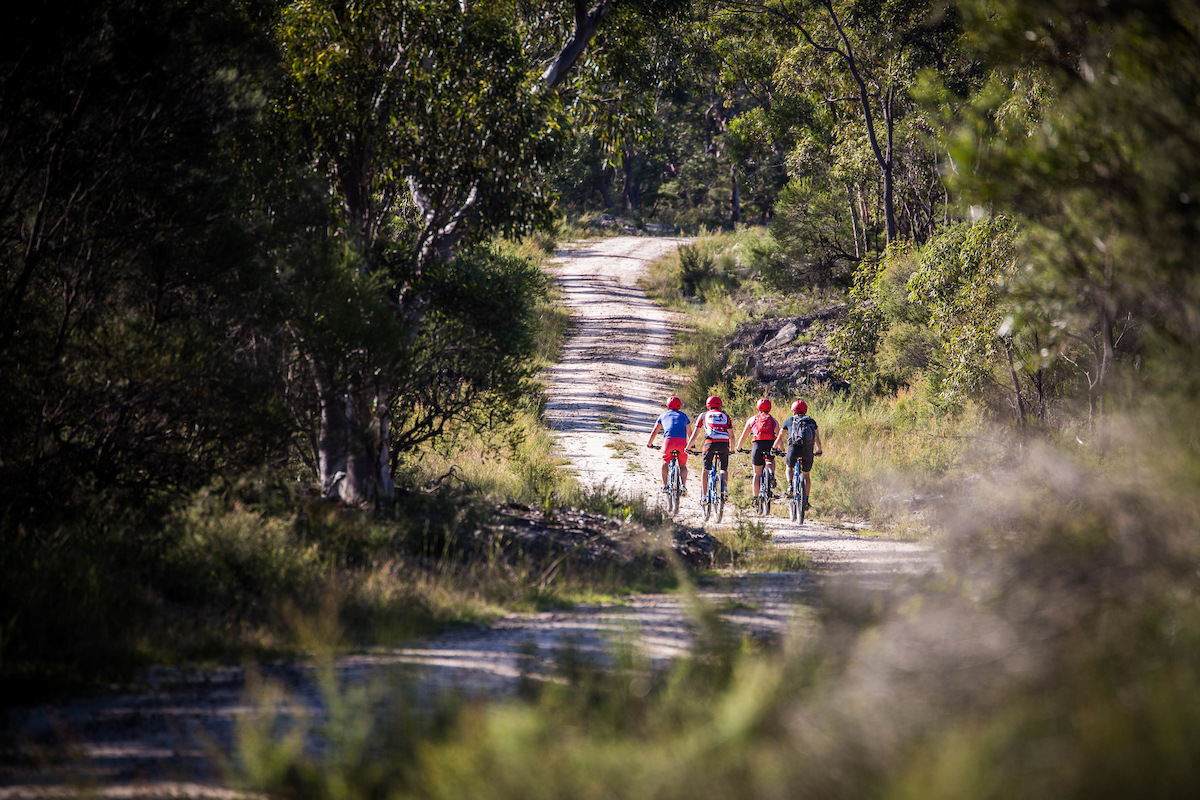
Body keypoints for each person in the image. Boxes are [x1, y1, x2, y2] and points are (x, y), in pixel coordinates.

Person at [773, 399, 824, 511]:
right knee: (806, 475)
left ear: (793, 410)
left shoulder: (789, 421)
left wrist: (774, 448)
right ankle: (806, 499)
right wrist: (819, 450)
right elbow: (816, 438)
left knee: (789, 466)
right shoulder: (811, 421)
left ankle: (790, 486)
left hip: (794, 449)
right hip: (807, 451)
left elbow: (780, 437)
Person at [685, 394, 732, 500]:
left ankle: (705, 496)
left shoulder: (703, 415)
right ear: (720, 405)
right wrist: (731, 450)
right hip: (724, 443)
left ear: (707, 405)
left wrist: (688, 447)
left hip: (710, 443)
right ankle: (724, 489)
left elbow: (695, 434)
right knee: (723, 469)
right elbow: (732, 436)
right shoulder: (726, 416)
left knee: (706, 470)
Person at [734, 398, 780, 501]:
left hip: (757, 445)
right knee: (770, 460)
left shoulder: (752, 419)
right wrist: (781, 449)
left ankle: (755, 498)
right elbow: (779, 436)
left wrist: (738, 448)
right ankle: (771, 474)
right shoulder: (773, 420)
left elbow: (743, 436)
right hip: (770, 444)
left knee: (757, 474)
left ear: (758, 407)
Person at [647, 395, 692, 494]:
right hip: (682, 443)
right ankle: (683, 485)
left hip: (669, 442)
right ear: (679, 406)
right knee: (683, 465)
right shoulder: (684, 416)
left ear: (668, 405)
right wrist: (691, 445)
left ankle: (664, 485)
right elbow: (690, 433)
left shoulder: (663, 415)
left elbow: (655, 431)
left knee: (665, 462)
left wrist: (650, 444)